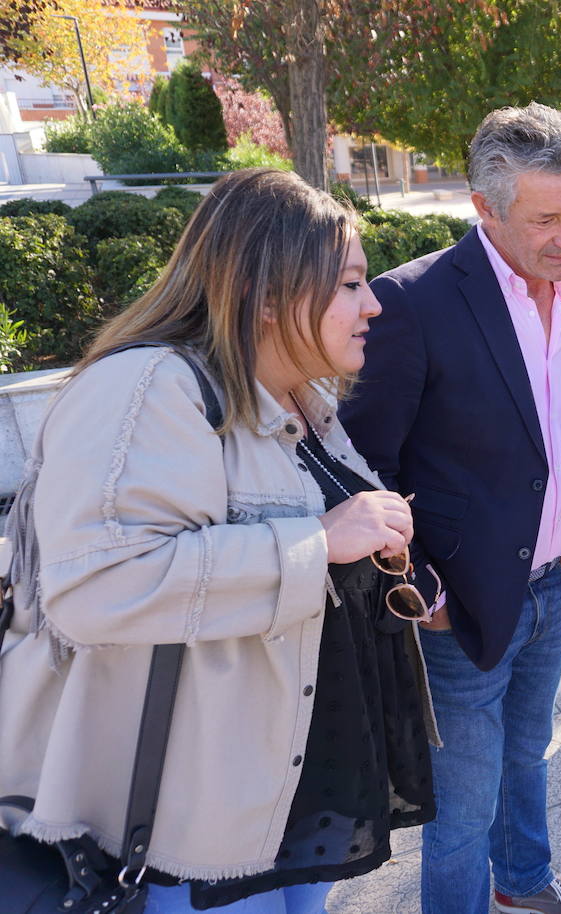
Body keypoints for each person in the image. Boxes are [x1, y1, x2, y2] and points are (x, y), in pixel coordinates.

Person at [0, 167, 437, 913]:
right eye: (350, 286)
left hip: (298, 775)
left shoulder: (299, 394)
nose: (373, 305)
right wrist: (317, 542)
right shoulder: (149, 389)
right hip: (202, 814)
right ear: (267, 297)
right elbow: (93, 588)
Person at [338, 103, 561, 914]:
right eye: (546, 219)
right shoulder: (411, 304)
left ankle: (525, 883)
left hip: (559, 584)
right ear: (484, 208)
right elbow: (363, 468)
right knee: (462, 809)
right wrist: (423, 590)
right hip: (460, 605)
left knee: (529, 752)